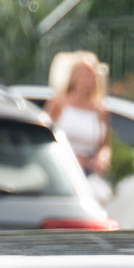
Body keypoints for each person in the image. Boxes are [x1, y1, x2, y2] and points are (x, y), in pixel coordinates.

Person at [47, 50, 113, 197]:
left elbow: (105, 144)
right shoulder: (58, 103)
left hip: (89, 172)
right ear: (74, 76)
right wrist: (72, 156)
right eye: (84, 74)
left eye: (91, 75)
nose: (88, 79)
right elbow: (45, 135)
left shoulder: (100, 110)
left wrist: (102, 158)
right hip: (61, 168)